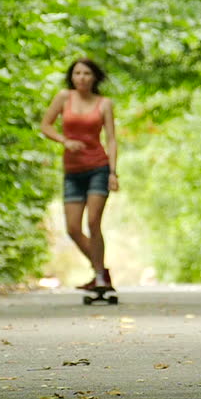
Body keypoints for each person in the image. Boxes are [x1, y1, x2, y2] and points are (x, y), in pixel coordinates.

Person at [40, 57, 119, 290]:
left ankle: (100, 278)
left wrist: (113, 172)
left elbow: (112, 139)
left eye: (86, 74)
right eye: (77, 74)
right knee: (73, 228)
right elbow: (46, 125)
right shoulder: (64, 97)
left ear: (94, 77)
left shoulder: (104, 103)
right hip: (73, 170)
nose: (81, 78)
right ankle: (101, 271)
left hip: (98, 167)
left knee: (94, 222)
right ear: (71, 77)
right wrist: (65, 141)